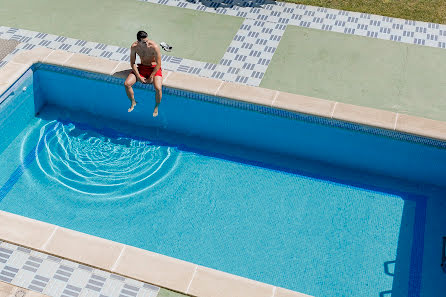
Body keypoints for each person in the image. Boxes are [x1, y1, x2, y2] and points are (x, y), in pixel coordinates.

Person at [124, 30, 163, 117]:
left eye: (147, 41)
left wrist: (151, 76)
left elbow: (159, 64)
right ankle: (133, 102)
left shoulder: (154, 47)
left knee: (158, 88)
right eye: (144, 42)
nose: (147, 43)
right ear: (138, 41)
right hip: (142, 67)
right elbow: (132, 63)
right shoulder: (134, 47)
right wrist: (138, 76)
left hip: (154, 68)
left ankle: (156, 106)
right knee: (127, 84)